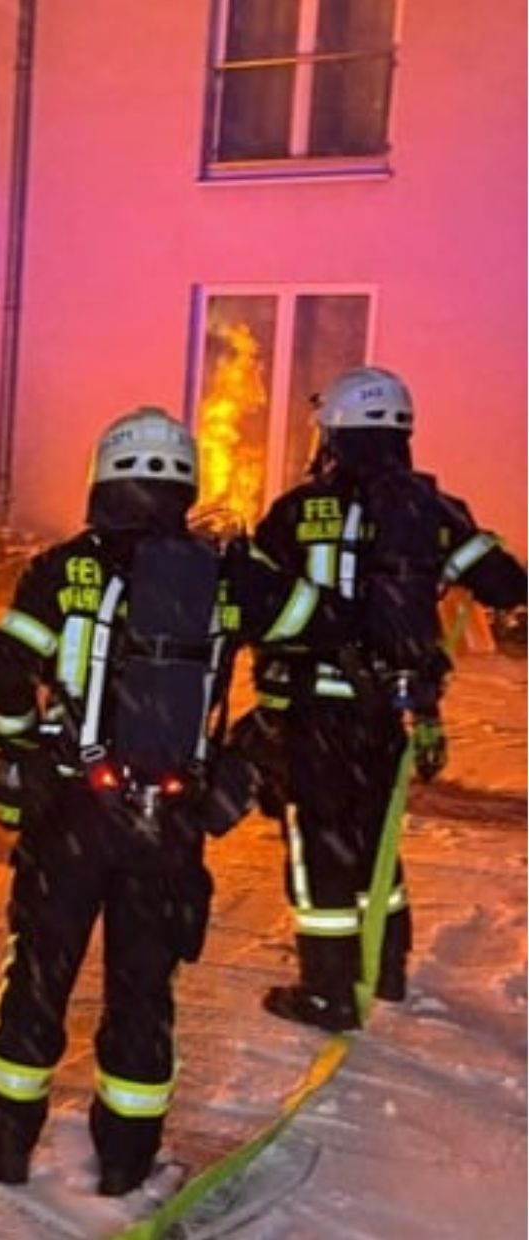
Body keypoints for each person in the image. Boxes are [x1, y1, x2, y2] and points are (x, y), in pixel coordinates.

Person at [0, 407, 349, 1197]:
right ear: (186, 484)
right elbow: (324, 627)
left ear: (105, 476)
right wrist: (254, 743)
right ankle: (127, 1159)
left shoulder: (64, 568)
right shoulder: (229, 575)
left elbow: (7, 669)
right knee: (143, 994)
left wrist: (17, 754)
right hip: (170, 823)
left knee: (38, 975)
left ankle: (3, 1140)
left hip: (72, 814)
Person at [238, 366, 526, 1032]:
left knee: (319, 846)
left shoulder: (295, 512)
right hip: (388, 710)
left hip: (312, 712)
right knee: (375, 834)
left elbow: (253, 601)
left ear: (336, 431)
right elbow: (508, 585)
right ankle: (387, 964)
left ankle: (327, 990)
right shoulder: (433, 509)